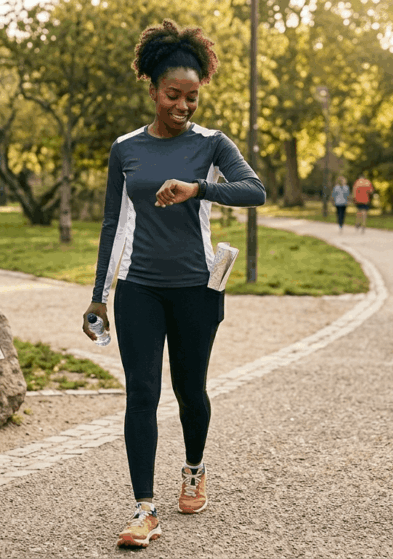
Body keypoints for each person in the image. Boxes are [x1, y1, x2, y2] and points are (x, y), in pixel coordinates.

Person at [81, 19, 264, 549]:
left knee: (191, 391)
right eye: (173, 96)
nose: (183, 106)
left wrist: (199, 189)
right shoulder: (125, 149)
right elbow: (112, 223)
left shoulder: (212, 144)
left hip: (195, 289)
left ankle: (193, 470)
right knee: (141, 393)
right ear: (153, 89)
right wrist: (100, 294)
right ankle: (144, 508)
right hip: (140, 288)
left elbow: (256, 191)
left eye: (192, 97)